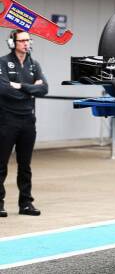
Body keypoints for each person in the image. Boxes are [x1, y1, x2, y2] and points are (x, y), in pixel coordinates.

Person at [0, 30, 48, 217]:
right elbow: (3, 89)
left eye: (28, 40)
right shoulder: (2, 63)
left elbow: (44, 89)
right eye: (22, 41)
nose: (26, 44)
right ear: (12, 43)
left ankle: (26, 203)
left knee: (25, 165)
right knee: (1, 164)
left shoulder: (34, 64)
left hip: (28, 121)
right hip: (6, 120)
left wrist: (20, 86)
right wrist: (31, 89)